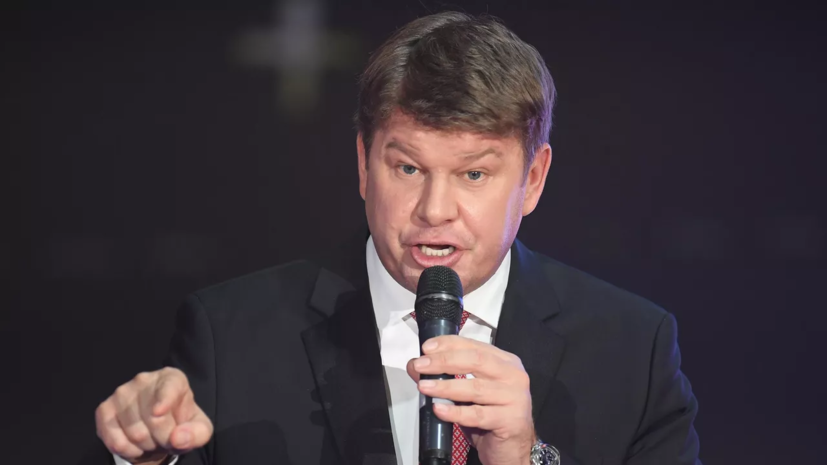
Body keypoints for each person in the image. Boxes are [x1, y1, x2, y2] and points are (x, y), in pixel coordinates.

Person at [88, 11, 701, 465]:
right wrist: (147, 457)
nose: (434, 210)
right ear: (363, 163)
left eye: (474, 175)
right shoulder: (230, 335)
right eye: (407, 168)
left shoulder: (633, 349)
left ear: (533, 179)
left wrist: (524, 457)